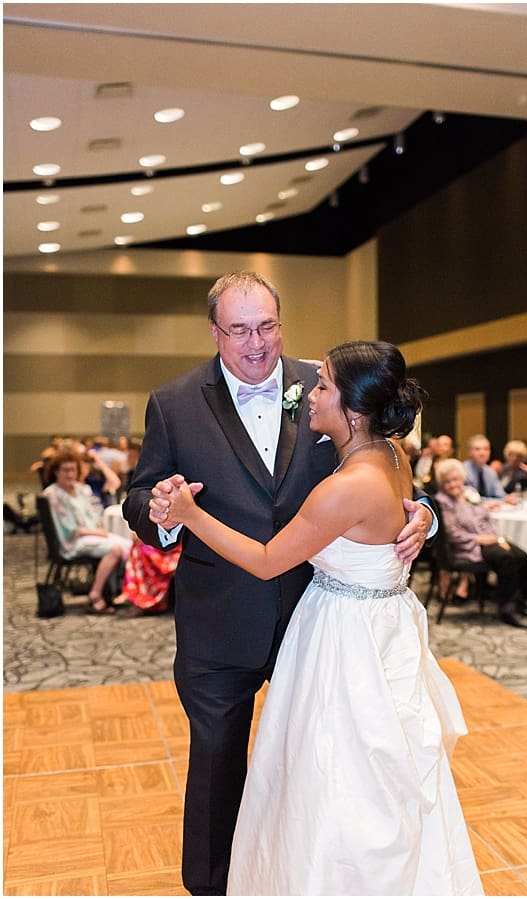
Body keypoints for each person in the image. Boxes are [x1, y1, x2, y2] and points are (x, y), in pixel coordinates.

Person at [122, 272, 435, 895]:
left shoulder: (326, 386)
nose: (256, 342)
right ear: (215, 332)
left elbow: (385, 465)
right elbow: (139, 493)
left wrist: (424, 512)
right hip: (220, 620)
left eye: (266, 325)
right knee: (217, 765)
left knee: (315, 769)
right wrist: (159, 514)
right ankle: (213, 887)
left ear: (280, 322)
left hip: (319, 622)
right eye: (239, 330)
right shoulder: (174, 402)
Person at [157, 340, 482, 894]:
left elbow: (265, 561)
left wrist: (190, 514)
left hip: (344, 646)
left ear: (354, 410)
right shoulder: (393, 456)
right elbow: (403, 505)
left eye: (325, 385)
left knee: (334, 781)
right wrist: (422, 514)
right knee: (375, 782)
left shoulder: (346, 487)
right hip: (381, 631)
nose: (312, 391)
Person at [435, 457, 527, 629]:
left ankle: (520, 603)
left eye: (455, 480)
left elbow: (487, 519)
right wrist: (481, 539)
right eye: (447, 482)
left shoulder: (469, 493)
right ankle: (506, 609)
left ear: (462, 479)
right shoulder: (443, 501)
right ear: (442, 484)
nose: (453, 485)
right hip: (469, 546)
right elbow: (452, 534)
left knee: (522, 556)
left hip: (491, 539)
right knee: (507, 559)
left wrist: (498, 538)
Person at [42, 451, 132, 614]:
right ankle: (95, 594)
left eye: (73, 470)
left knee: (130, 545)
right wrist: (97, 533)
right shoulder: (52, 494)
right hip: (71, 541)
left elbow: (95, 514)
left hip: (91, 535)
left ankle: (123, 591)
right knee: (115, 550)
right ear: (56, 472)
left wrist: (99, 531)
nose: (70, 474)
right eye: (65, 470)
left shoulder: (81, 489)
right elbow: (68, 529)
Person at [463, 434, 514, 504]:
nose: (482, 453)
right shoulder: (462, 471)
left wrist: (508, 498)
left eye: (486, 449)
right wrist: (493, 501)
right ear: (470, 452)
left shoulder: (490, 472)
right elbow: (471, 499)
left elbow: (500, 495)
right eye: (477, 449)